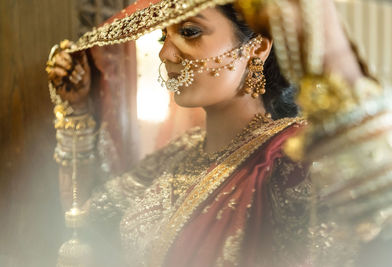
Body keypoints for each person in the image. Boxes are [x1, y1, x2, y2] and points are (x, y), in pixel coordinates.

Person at [46, 0, 392, 266]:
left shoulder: (287, 154)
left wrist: (331, 52)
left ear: (256, 48)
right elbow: (87, 216)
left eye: (191, 32)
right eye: (164, 35)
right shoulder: (179, 152)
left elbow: (374, 205)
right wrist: (76, 113)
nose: (166, 52)